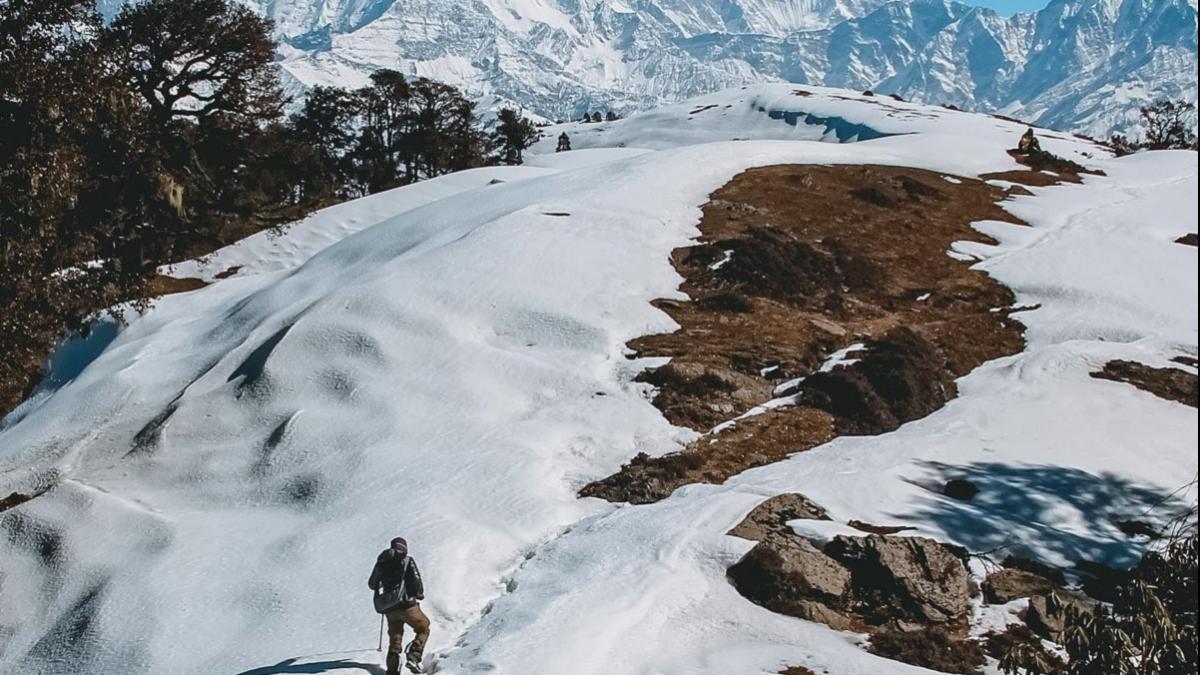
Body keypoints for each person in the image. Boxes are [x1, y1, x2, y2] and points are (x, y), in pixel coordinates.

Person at [368, 537, 429, 674]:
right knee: (423, 628)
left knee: (395, 640)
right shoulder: (407, 560)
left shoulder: (381, 562)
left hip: (390, 609)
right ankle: (414, 655)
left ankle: (392, 671)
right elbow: (416, 580)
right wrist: (419, 593)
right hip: (407, 606)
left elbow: (372, 584)